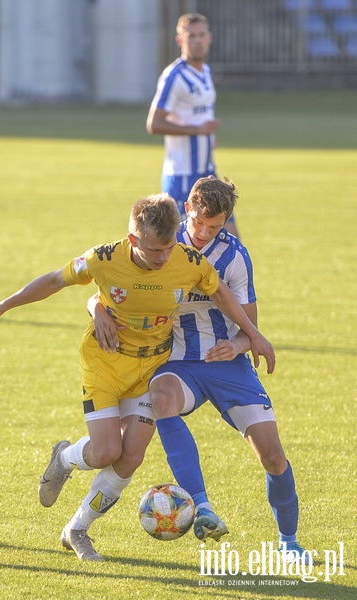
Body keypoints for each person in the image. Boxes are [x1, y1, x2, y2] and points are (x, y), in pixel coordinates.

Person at [0, 192, 274, 562]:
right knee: (104, 452)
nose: (165, 258)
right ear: (134, 240)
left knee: (130, 456)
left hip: (150, 368)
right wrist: (2, 306)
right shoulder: (104, 258)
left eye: (169, 248)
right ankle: (65, 458)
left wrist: (253, 335)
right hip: (106, 363)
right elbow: (55, 280)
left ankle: (77, 530)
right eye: (155, 251)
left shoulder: (188, 260)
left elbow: (222, 293)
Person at [92, 177, 309, 564]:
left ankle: (289, 543)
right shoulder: (159, 243)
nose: (205, 232)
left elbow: (250, 329)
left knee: (273, 458)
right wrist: (97, 308)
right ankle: (203, 507)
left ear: (227, 221)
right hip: (175, 361)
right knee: (161, 398)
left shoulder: (235, 257)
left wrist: (238, 344)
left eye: (216, 226)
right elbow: (113, 285)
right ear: (186, 210)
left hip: (228, 365)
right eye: (198, 223)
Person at [146, 13, 240, 238]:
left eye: (201, 35)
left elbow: (199, 115)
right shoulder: (174, 76)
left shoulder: (205, 72)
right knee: (182, 250)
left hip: (207, 171)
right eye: (191, 36)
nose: (197, 41)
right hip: (182, 174)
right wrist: (197, 132)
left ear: (210, 38)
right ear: (180, 40)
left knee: (230, 241)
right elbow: (154, 124)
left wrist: (207, 139)